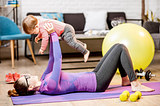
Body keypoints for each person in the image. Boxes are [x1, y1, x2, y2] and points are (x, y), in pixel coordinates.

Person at [8, 24, 154, 96]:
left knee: (116, 46)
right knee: (120, 48)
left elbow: (52, 58)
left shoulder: (44, 78)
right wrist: (53, 35)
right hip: (97, 84)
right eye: (26, 79)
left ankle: (125, 80)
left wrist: (50, 33)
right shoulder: (50, 86)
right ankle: (134, 83)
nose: (26, 75)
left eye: (24, 75)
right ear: (31, 88)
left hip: (93, 75)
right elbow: (58, 59)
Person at [22, 15, 90, 62]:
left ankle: (85, 52)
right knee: (70, 40)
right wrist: (38, 36)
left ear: (36, 26)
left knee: (71, 42)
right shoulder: (41, 23)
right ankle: (82, 45)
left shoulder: (41, 26)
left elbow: (45, 38)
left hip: (66, 30)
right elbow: (42, 32)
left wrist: (42, 48)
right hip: (66, 29)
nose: (35, 34)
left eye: (34, 33)